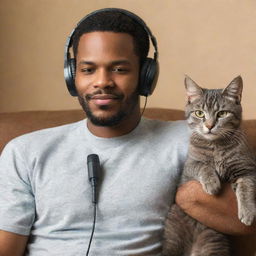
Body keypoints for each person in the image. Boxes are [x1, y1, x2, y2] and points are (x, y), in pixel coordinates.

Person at [0, 8, 254, 256]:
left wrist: (190, 195)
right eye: (88, 69)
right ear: (71, 76)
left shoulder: (193, 139)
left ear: (146, 76)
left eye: (119, 69)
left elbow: (247, 221)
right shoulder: (24, 151)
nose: (102, 82)